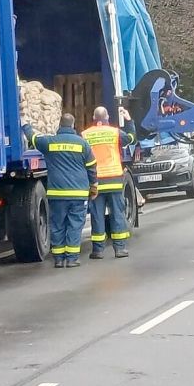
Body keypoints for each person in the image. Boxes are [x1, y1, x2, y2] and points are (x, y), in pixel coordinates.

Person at [23, 114, 97, 268]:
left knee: (57, 225)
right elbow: (91, 167)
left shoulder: (49, 142)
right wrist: (94, 186)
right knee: (75, 225)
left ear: (59, 125)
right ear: (73, 125)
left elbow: (33, 138)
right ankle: (72, 259)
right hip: (78, 194)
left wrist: (24, 125)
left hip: (57, 194)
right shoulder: (83, 144)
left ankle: (58, 259)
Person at [82, 106, 138, 259]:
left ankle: (98, 251)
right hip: (114, 180)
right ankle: (119, 249)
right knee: (117, 214)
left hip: (96, 182)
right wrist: (128, 120)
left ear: (94, 117)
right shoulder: (115, 132)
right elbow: (132, 138)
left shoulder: (85, 135)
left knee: (97, 215)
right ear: (106, 117)